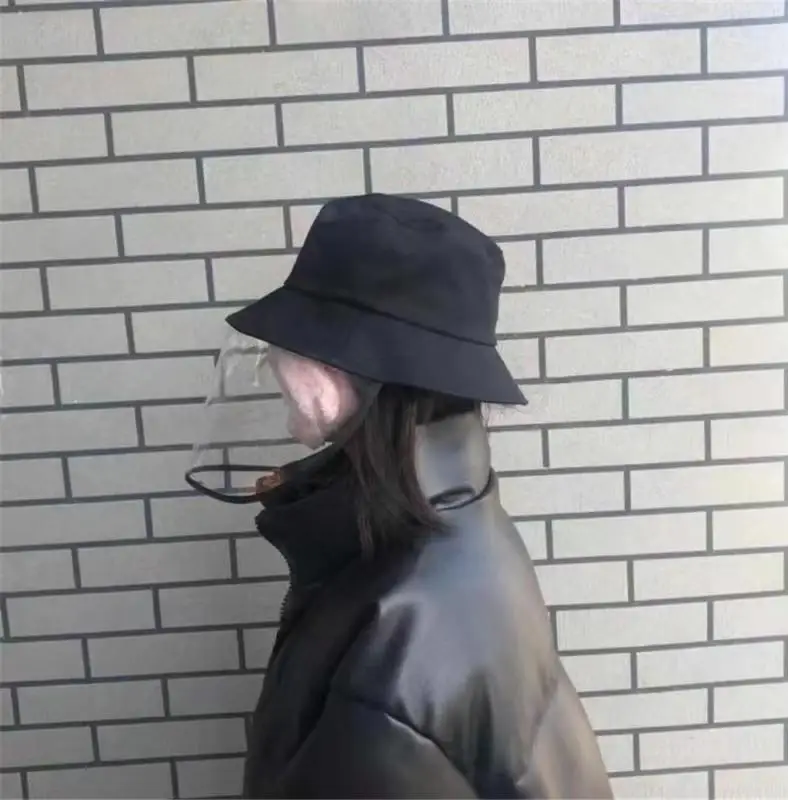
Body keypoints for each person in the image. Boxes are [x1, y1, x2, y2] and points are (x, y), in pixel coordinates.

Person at [185, 194, 612, 798]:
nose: (276, 362)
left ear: (331, 378)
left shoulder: (390, 651)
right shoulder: (462, 523)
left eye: (289, 343)